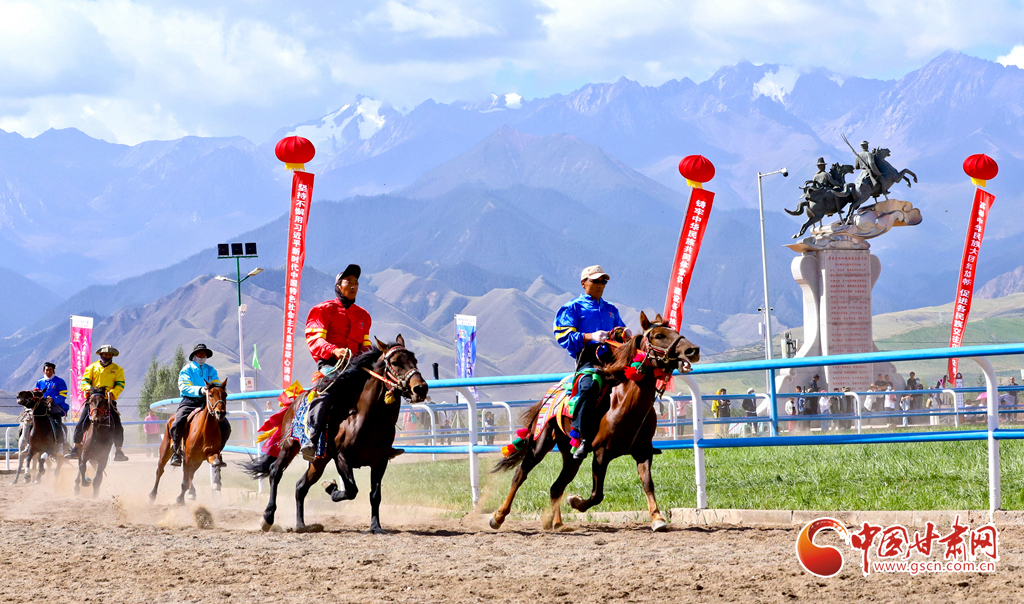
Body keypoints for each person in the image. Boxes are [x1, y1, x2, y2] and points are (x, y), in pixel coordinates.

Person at [553, 265, 627, 459]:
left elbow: (620, 332)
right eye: (596, 281)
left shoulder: (611, 310)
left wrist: (624, 334)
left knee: (638, 380)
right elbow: (563, 336)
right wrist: (590, 336)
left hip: (613, 358)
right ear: (583, 283)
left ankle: (639, 436)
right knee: (590, 385)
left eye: (604, 281)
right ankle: (582, 435)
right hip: (588, 358)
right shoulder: (572, 308)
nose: (601, 285)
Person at [302, 264, 373, 460]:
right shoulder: (322, 310)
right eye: (348, 281)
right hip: (331, 365)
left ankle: (381, 442)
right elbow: (315, 340)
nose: (353, 285)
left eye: (356, 282)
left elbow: (365, 345)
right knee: (327, 388)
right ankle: (313, 438)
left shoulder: (364, 315)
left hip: (356, 366)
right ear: (338, 286)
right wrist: (334, 350)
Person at [168, 344, 229, 467]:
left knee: (226, 426)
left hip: (208, 401)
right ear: (194, 356)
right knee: (177, 422)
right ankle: (176, 452)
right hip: (190, 401)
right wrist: (200, 390)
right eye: (199, 353)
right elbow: (184, 387)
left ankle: (218, 452)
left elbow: (216, 384)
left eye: (204, 354)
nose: (202, 356)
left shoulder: (211, 370)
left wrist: (216, 391)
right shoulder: (187, 369)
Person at [66, 345, 128, 461]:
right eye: (105, 354)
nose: (107, 356)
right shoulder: (92, 367)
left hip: (108, 401)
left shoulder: (118, 369)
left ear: (112, 356)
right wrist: (90, 390)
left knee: (117, 425)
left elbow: (120, 385)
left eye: (109, 354)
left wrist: (112, 393)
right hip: (93, 401)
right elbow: (84, 382)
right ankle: (76, 448)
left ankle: (118, 452)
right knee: (81, 422)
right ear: (101, 355)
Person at [34, 362, 69, 452]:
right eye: (46, 370)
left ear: (53, 371)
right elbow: (36, 393)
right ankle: (29, 444)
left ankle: (60, 446)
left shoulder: (59, 381)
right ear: (44, 371)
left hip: (55, 406)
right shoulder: (40, 381)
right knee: (32, 423)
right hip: (42, 407)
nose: (48, 372)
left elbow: (63, 395)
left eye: (50, 370)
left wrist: (53, 399)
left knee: (57, 423)